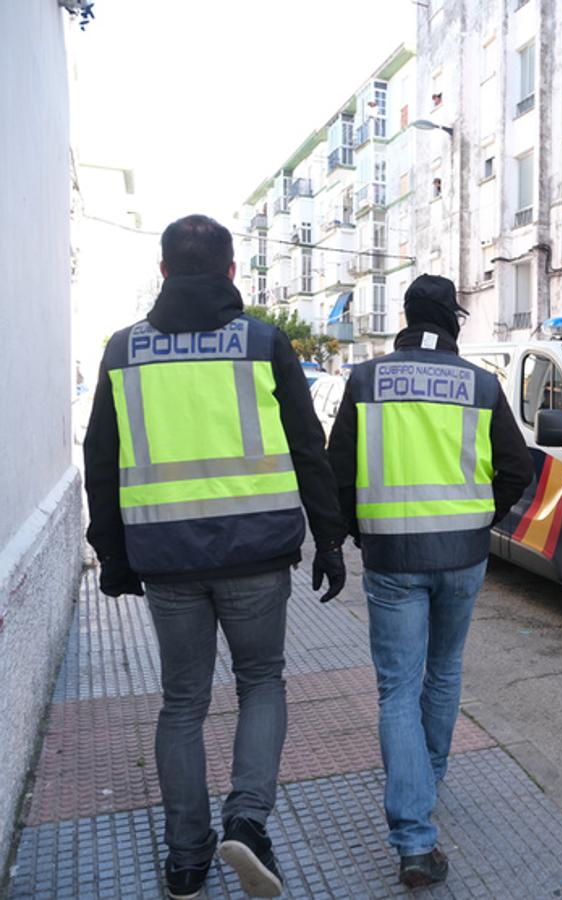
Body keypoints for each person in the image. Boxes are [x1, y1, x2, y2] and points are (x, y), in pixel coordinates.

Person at [83, 214, 347, 899]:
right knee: (261, 682)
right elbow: (307, 448)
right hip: (257, 556)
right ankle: (248, 823)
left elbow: (101, 461)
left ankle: (186, 861)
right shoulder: (262, 342)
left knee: (182, 703)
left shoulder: (123, 350)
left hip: (166, 558)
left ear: (164, 272)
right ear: (232, 273)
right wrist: (330, 540)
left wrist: (112, 554)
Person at [327, 275, 532, 888]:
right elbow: (517, 469)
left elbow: (339, 471)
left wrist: (357, 532)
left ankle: (414, 839)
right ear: (454, 323)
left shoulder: (366, 380)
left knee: (396, 689)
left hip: (391, 558)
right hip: (462, 557)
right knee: (443, 673)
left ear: (405, 317)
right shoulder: (481, 383)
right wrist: (479, 520)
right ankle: (425, 782)